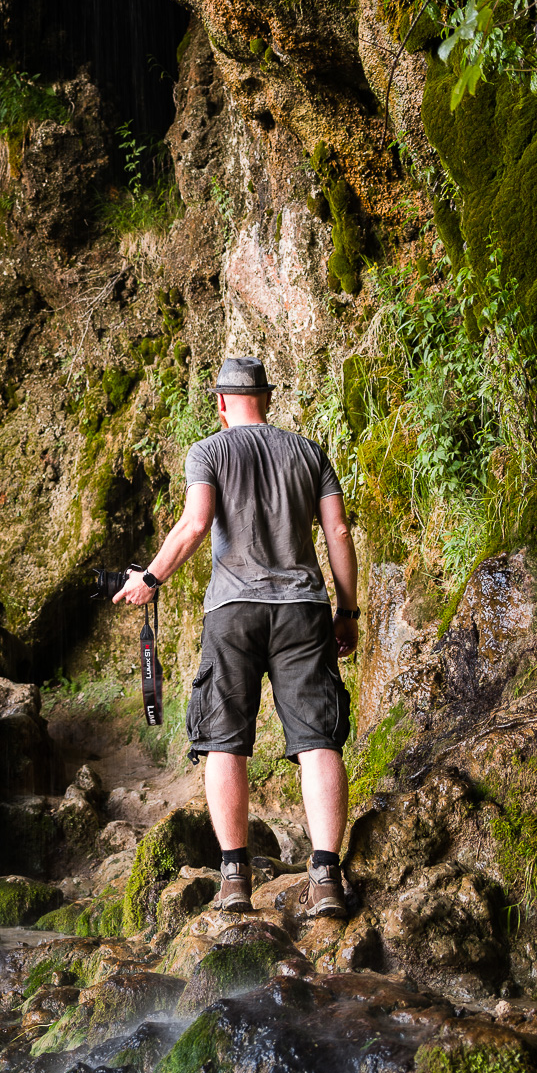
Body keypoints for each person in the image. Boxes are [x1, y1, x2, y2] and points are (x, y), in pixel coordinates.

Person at [113, 355, 358, 919]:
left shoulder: (209, 451)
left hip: (233, 611)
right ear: (266, 400)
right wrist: (347, 610)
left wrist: (150, 579)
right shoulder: (308, 451)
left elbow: (196, 524)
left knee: (225, 741)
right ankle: (325, 876)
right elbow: (338, 530)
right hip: (302, 609)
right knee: (318, 739)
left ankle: (234, 878)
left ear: (220, 403)